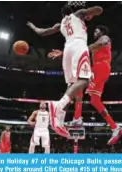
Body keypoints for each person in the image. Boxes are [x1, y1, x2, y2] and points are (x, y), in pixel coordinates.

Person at [27, 5, 103, 137]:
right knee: (84, 80)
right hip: (79, 45)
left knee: (72, 86)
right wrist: (90, 13)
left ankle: (59, 121)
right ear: (72, 12)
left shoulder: (60, 24)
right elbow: (100, 9)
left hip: (67, 49)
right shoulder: (78, 14)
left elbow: (42, 32)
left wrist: (32, 27)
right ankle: (59, 106)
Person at [70, 26, 122, 145]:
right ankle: (115, 127)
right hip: (99, 69)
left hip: (101, 67)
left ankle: (77, 118)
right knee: (95, 101)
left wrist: (82, 49)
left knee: (79, 86)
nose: (94, 32)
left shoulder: (105, 38)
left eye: (96, 31)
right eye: (94, 31)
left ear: (102, 32)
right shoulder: (94, 46)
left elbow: (103, 42)